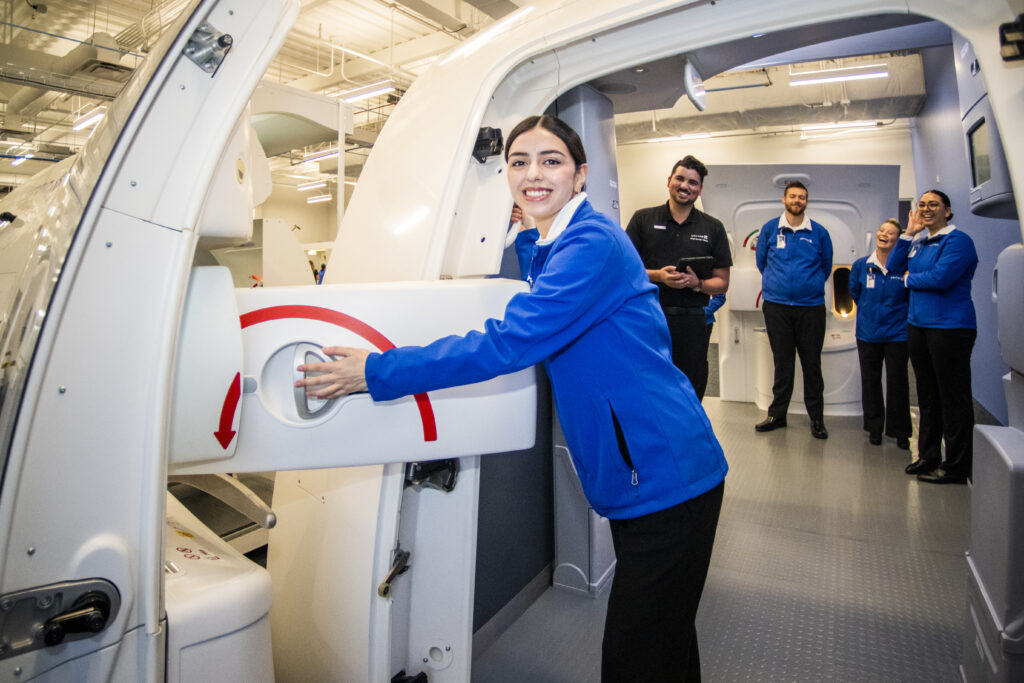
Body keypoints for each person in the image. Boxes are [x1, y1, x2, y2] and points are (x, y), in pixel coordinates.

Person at [295, 115, 728, 682]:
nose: (532, 173)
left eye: (551, 161)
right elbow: (544, 273)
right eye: (519, 162)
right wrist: (527, 228)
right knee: (664, 642)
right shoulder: (565, 239)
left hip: (667, 474)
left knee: (637, 657)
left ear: (581, 175)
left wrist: (377, 371)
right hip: (650, 470)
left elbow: (508, 342)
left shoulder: (593, 244)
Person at [887, 190, 978, 484]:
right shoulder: (920, 242)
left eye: (933, 205)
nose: (926, 209)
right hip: (919, 325)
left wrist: (909, 280)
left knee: (953, 398)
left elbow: (941, 279)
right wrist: (908, 233)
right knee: (927, 395)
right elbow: (892, 268)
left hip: (950, 328)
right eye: (922, 205)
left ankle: (956, 466)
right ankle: (928, 456)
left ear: (947, 211)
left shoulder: (958, 241)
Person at [625, 156, 731, 401]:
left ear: (700, 189)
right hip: (650, 318)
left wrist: (699, 284)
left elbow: (723, 282)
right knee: (650, 385)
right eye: (680, 179)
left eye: (693, 182)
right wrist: (658, 276)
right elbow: (624, 270)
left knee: (691, 386)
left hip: (694, 322)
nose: (685, 186)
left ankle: (688, 438)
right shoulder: (643, 220)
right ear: (669, 181)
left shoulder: (712, 228)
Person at [754, 181, 833, 439]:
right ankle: (777, 415)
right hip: (776, 307)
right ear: (784, 200)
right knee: (782, 363)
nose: (797, 200)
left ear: (806, 202)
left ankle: (817, 420)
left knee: (812, 364)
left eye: (802, 197)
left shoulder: (819, 233)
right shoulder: (769, 229)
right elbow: (762, 263)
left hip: (810, 308)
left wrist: (806, 287)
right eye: (793, 196)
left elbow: (826, 266)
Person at [849, 219, 911, 449]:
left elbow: (909, 298)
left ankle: (900, 431)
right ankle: (874, 428)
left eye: (891, 232)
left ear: (898, 239)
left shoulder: (904, 267)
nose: (884, 234)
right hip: (868, 333)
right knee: (871, 381)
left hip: (898, 334)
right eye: (882, 230)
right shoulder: (861, 266)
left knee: (898, 382)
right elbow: (856, 293)